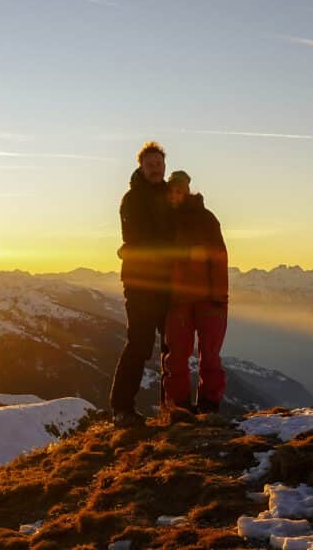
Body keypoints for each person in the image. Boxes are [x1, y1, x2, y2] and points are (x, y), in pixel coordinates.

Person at [110, 141, 175, 428]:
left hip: (168, 282)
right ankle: (122, 409)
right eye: (150, 164)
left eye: (158, 164)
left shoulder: (170, 195)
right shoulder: (132, 199)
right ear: (141, 166)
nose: (155, 168)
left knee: (173, 345)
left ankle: (171, 407)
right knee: (140, 344)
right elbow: (138, 237)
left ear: (164, 165)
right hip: (140, 282)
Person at [162, 170, 229, 414]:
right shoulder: (166, 220)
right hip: (177, 300)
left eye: (180, 189)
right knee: (176, 356)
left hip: (208, 299)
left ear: (187, 190)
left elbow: (219, 258)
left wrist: (219, 297)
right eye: (173, 190)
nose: (176, 194)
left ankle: (209, 406)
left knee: (209, 356)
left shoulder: (206, 219)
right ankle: (179, 408)